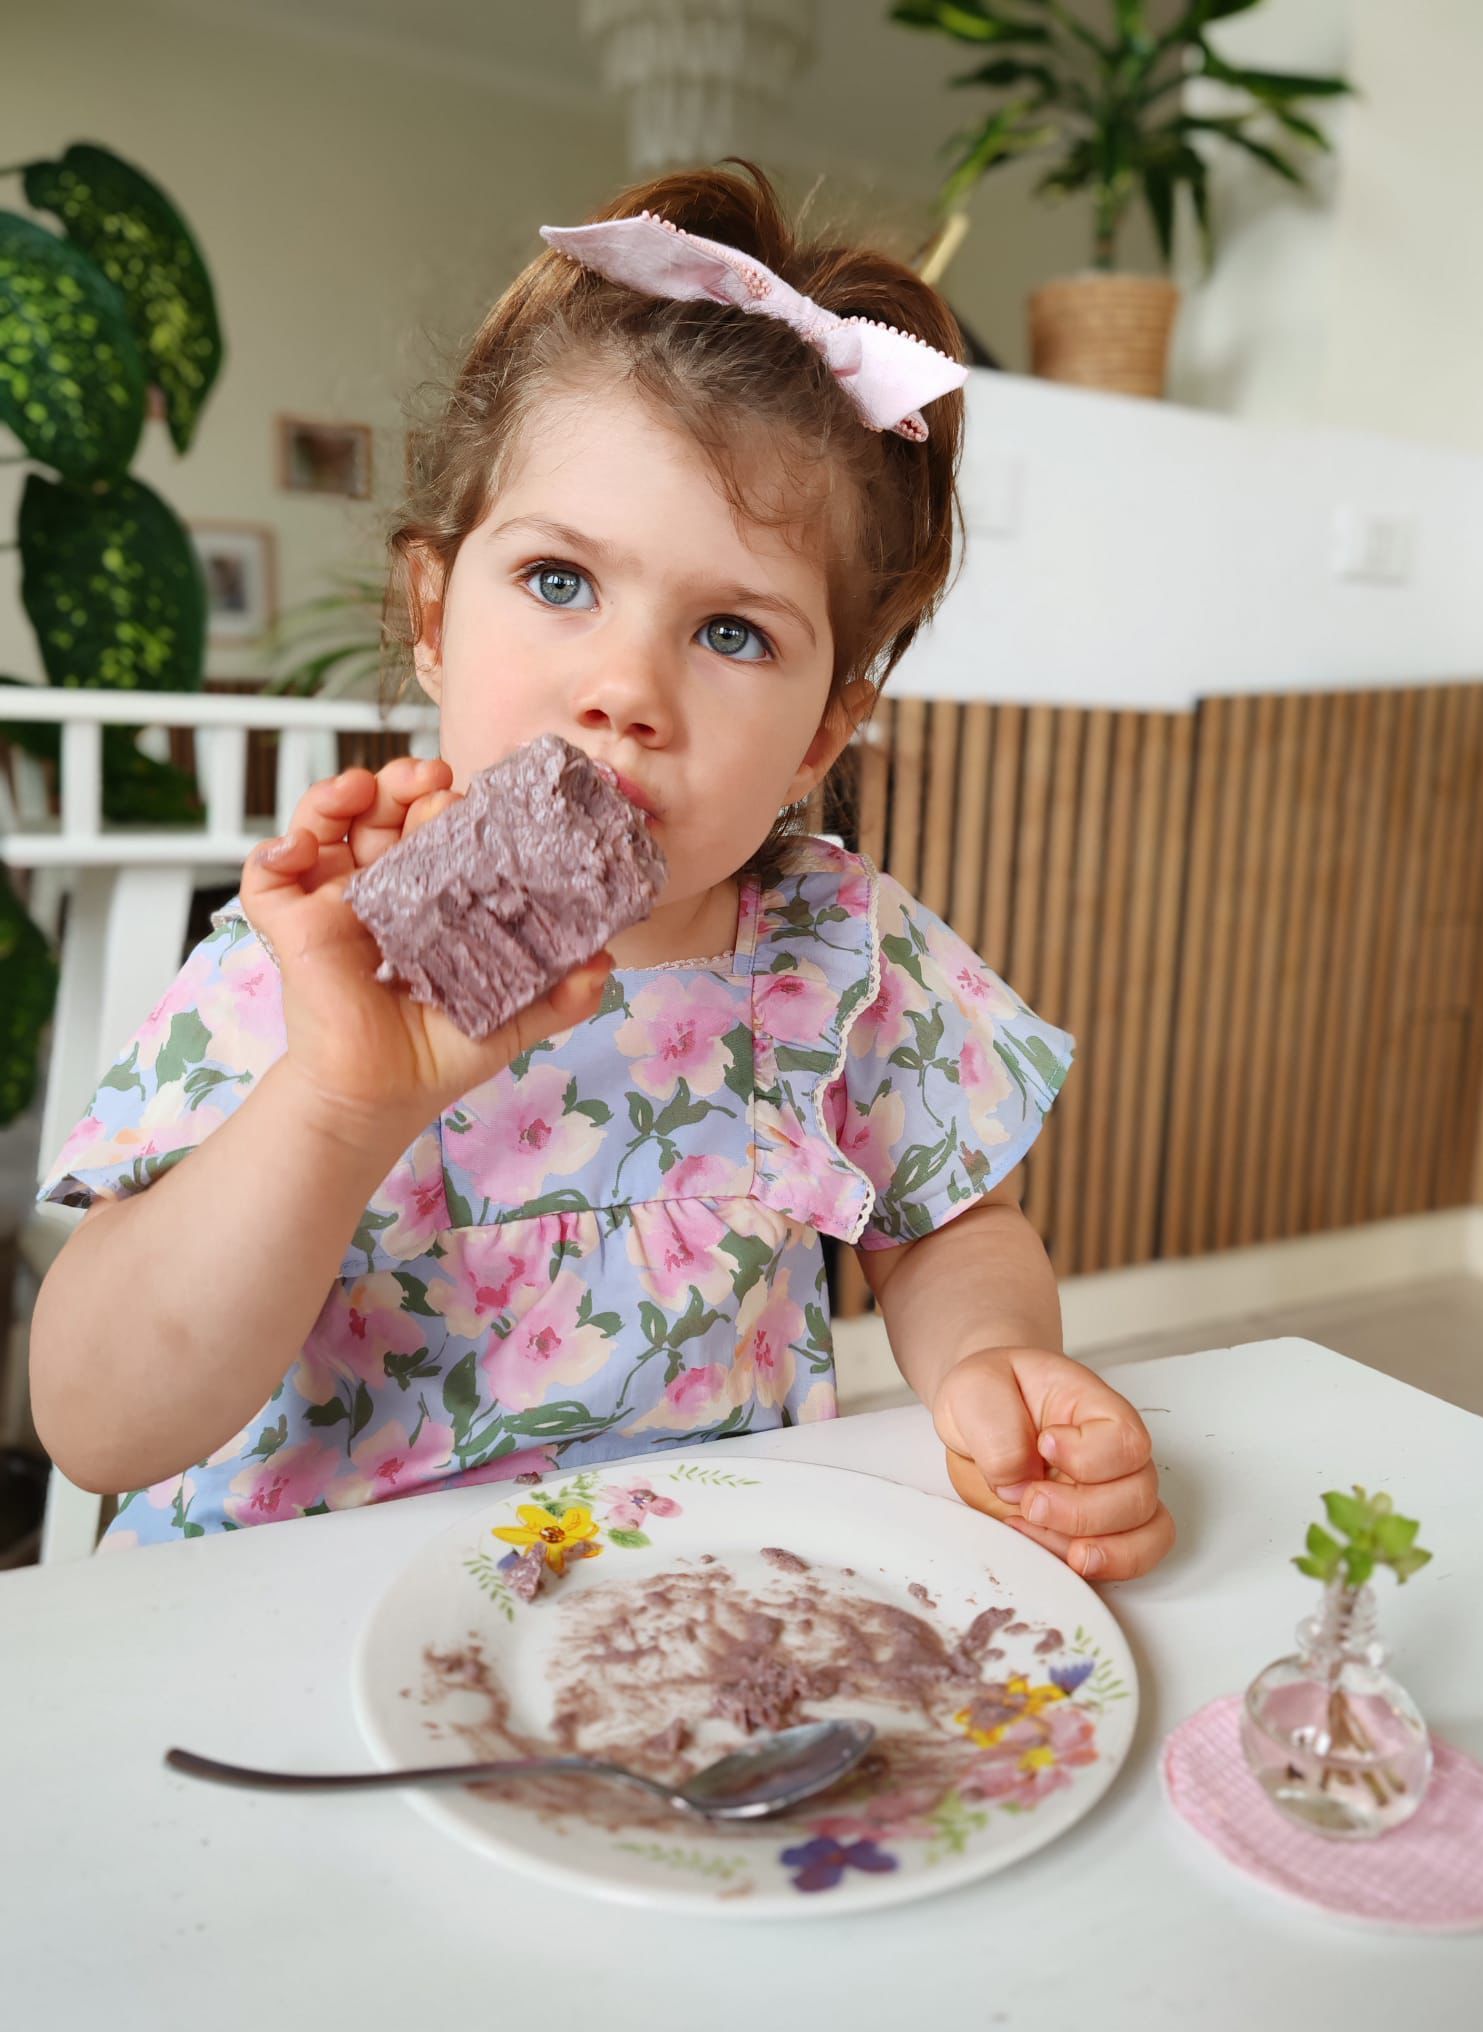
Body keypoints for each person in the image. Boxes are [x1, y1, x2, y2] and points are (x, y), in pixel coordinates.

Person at [29, 163, 1174, 1578]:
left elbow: (953, 1230)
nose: (626, 689)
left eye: (734, 633)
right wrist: (334, 1101)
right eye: (563, 581)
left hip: (672, 1619)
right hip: (285, 1640)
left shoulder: (842, 954)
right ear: (435, 617)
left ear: (823, 733)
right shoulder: (311, 962)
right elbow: (93, 1428)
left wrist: (992, 1363)